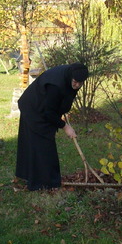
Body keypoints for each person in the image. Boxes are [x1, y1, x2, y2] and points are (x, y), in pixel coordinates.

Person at [15, 62, 88, 191]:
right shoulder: (56, 86)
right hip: (34, 108)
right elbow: (48, 112)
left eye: (80, 83)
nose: (77, 85)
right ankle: (43, 183)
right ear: (71, 76)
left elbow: (62, 99)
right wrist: (65, 127)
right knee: (42, 145)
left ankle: (40, 179)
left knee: (41, 144)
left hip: (44, 107)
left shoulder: (70, 76)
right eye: (75, 82)